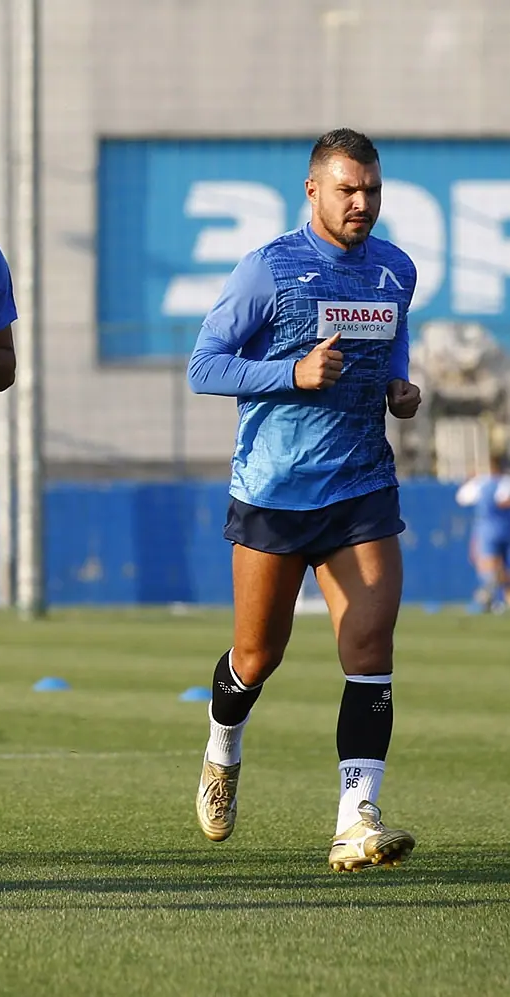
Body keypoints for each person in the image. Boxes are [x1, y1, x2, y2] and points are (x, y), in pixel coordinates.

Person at [187, 128, 421, 872]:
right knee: (258, 655)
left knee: (369, 646)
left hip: (361, 485)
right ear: (313, 190)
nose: (362, 203)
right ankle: (223, 744)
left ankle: (357, 817)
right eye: (348, 189)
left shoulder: (395, 269)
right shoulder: (268, 268)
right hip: (274, 491)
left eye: (372, 190)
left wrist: (398, 383)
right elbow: (203, 366)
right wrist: (291, 373)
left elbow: (393, 338)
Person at [455, 451, 510, 613]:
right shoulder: (501, 482)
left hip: (489, 530)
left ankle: (489, 597)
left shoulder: (482, 483)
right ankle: (495, 599)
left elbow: (462, 497)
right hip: (499, 528)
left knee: (489, 565)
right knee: (495, 566)